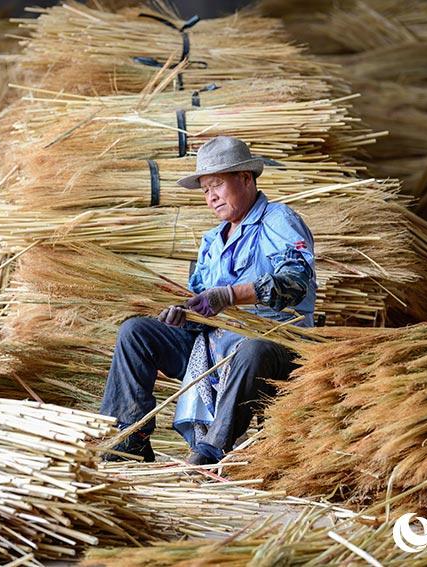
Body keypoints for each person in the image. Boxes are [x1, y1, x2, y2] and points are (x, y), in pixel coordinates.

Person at [100, 136, 316, 465]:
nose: (211, 197)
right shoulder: (212, 241)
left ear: (245, 179)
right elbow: (200, 301)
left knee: (252, 349)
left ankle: (210, 452)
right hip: (214, 348)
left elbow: (295, 283)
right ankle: (128, 442)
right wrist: (184, 313)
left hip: (275, 346)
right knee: (136, 332)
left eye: (217, 185)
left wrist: (230, 295)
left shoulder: (278, 221)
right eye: (205, 190)